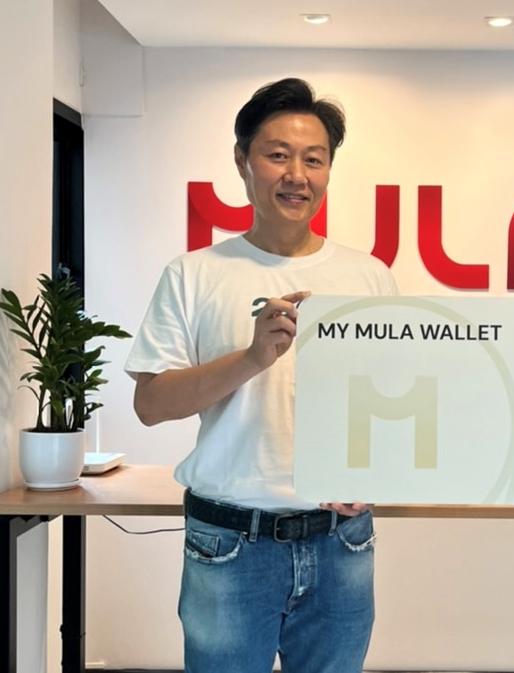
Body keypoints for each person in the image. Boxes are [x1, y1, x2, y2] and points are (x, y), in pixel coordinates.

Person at [125, 78, 397, 673]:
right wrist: (251, 358)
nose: (297, 175)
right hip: (229, 543)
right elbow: (151, 404)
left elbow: (394, 405)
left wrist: (373, 471)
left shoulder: (369, 277)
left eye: (314, 159)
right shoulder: (194, 274)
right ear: (242, 160)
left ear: (329, 171)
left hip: (341, 541)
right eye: (278, 155)